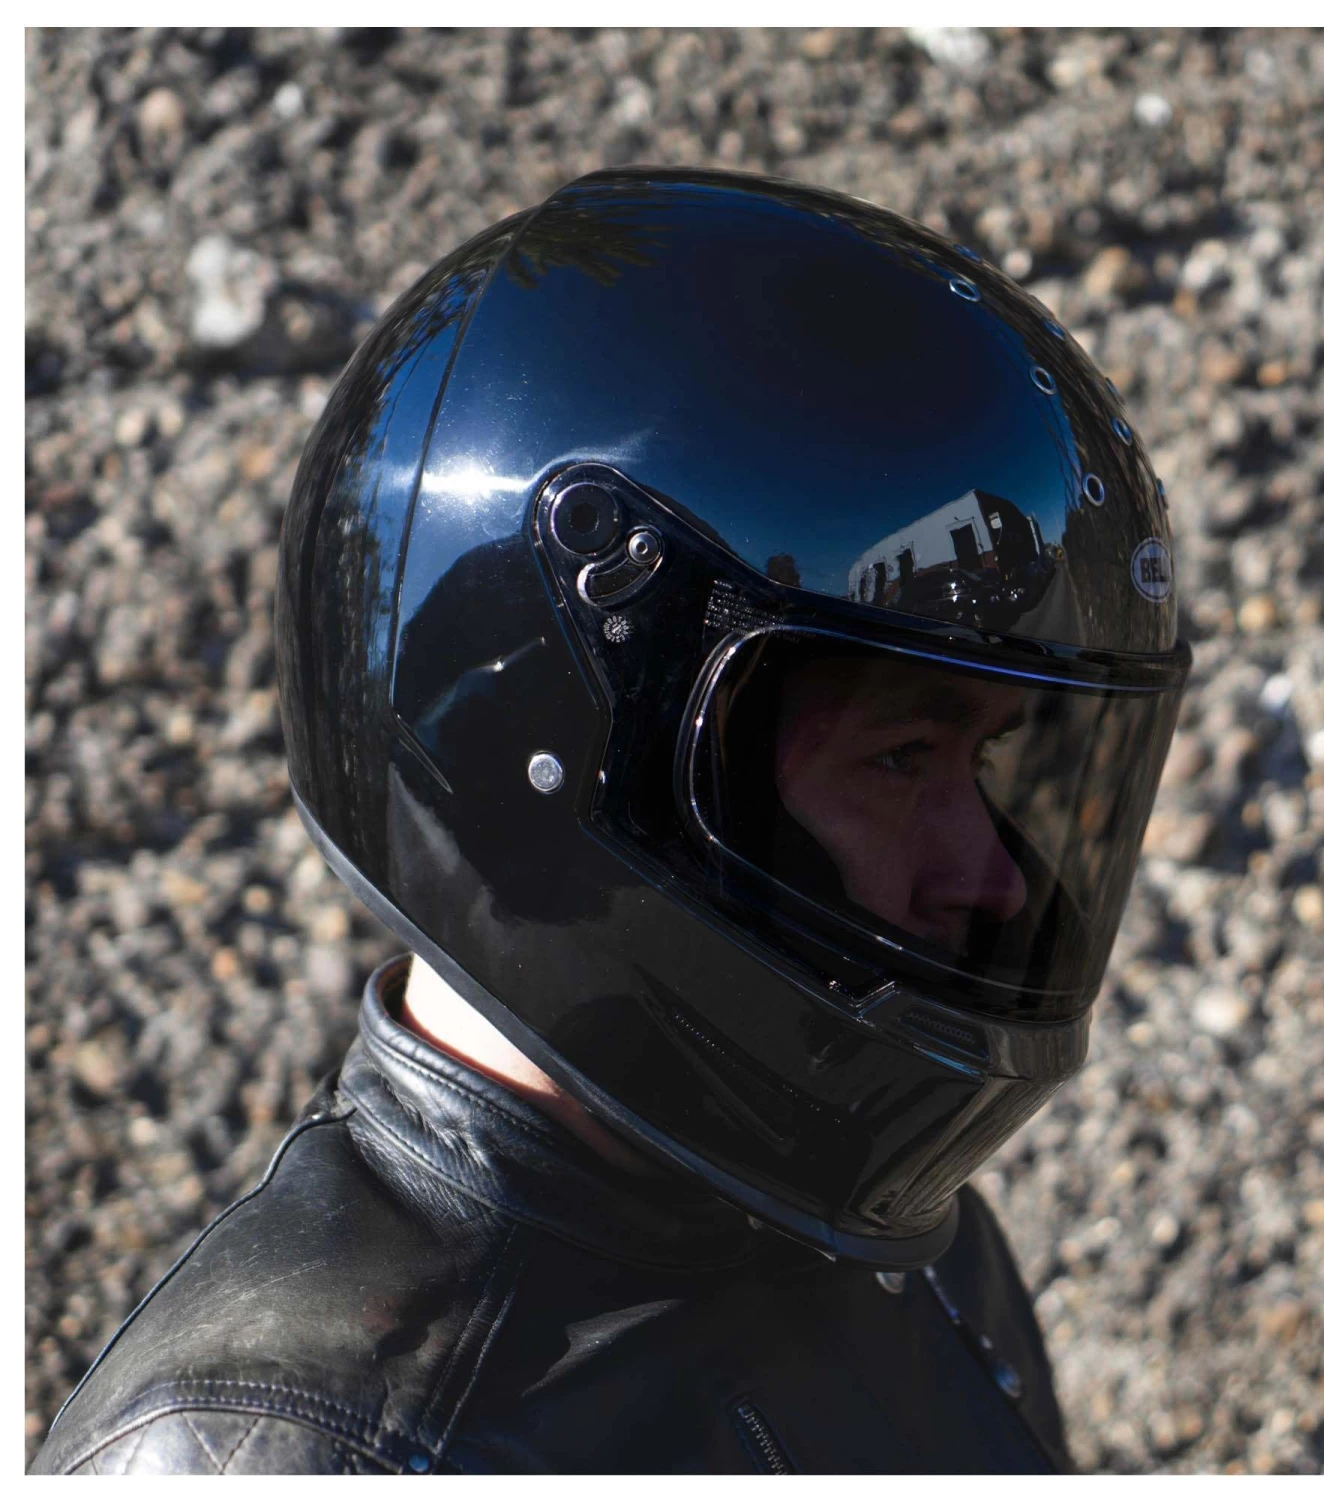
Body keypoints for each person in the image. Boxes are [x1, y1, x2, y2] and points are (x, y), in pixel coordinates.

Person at [33, 167, 1189, 1474]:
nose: (995, 880)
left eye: (983, 757)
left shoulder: (887, 1245)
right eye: (900, 756)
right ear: (595, 761)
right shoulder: (294, 1454)